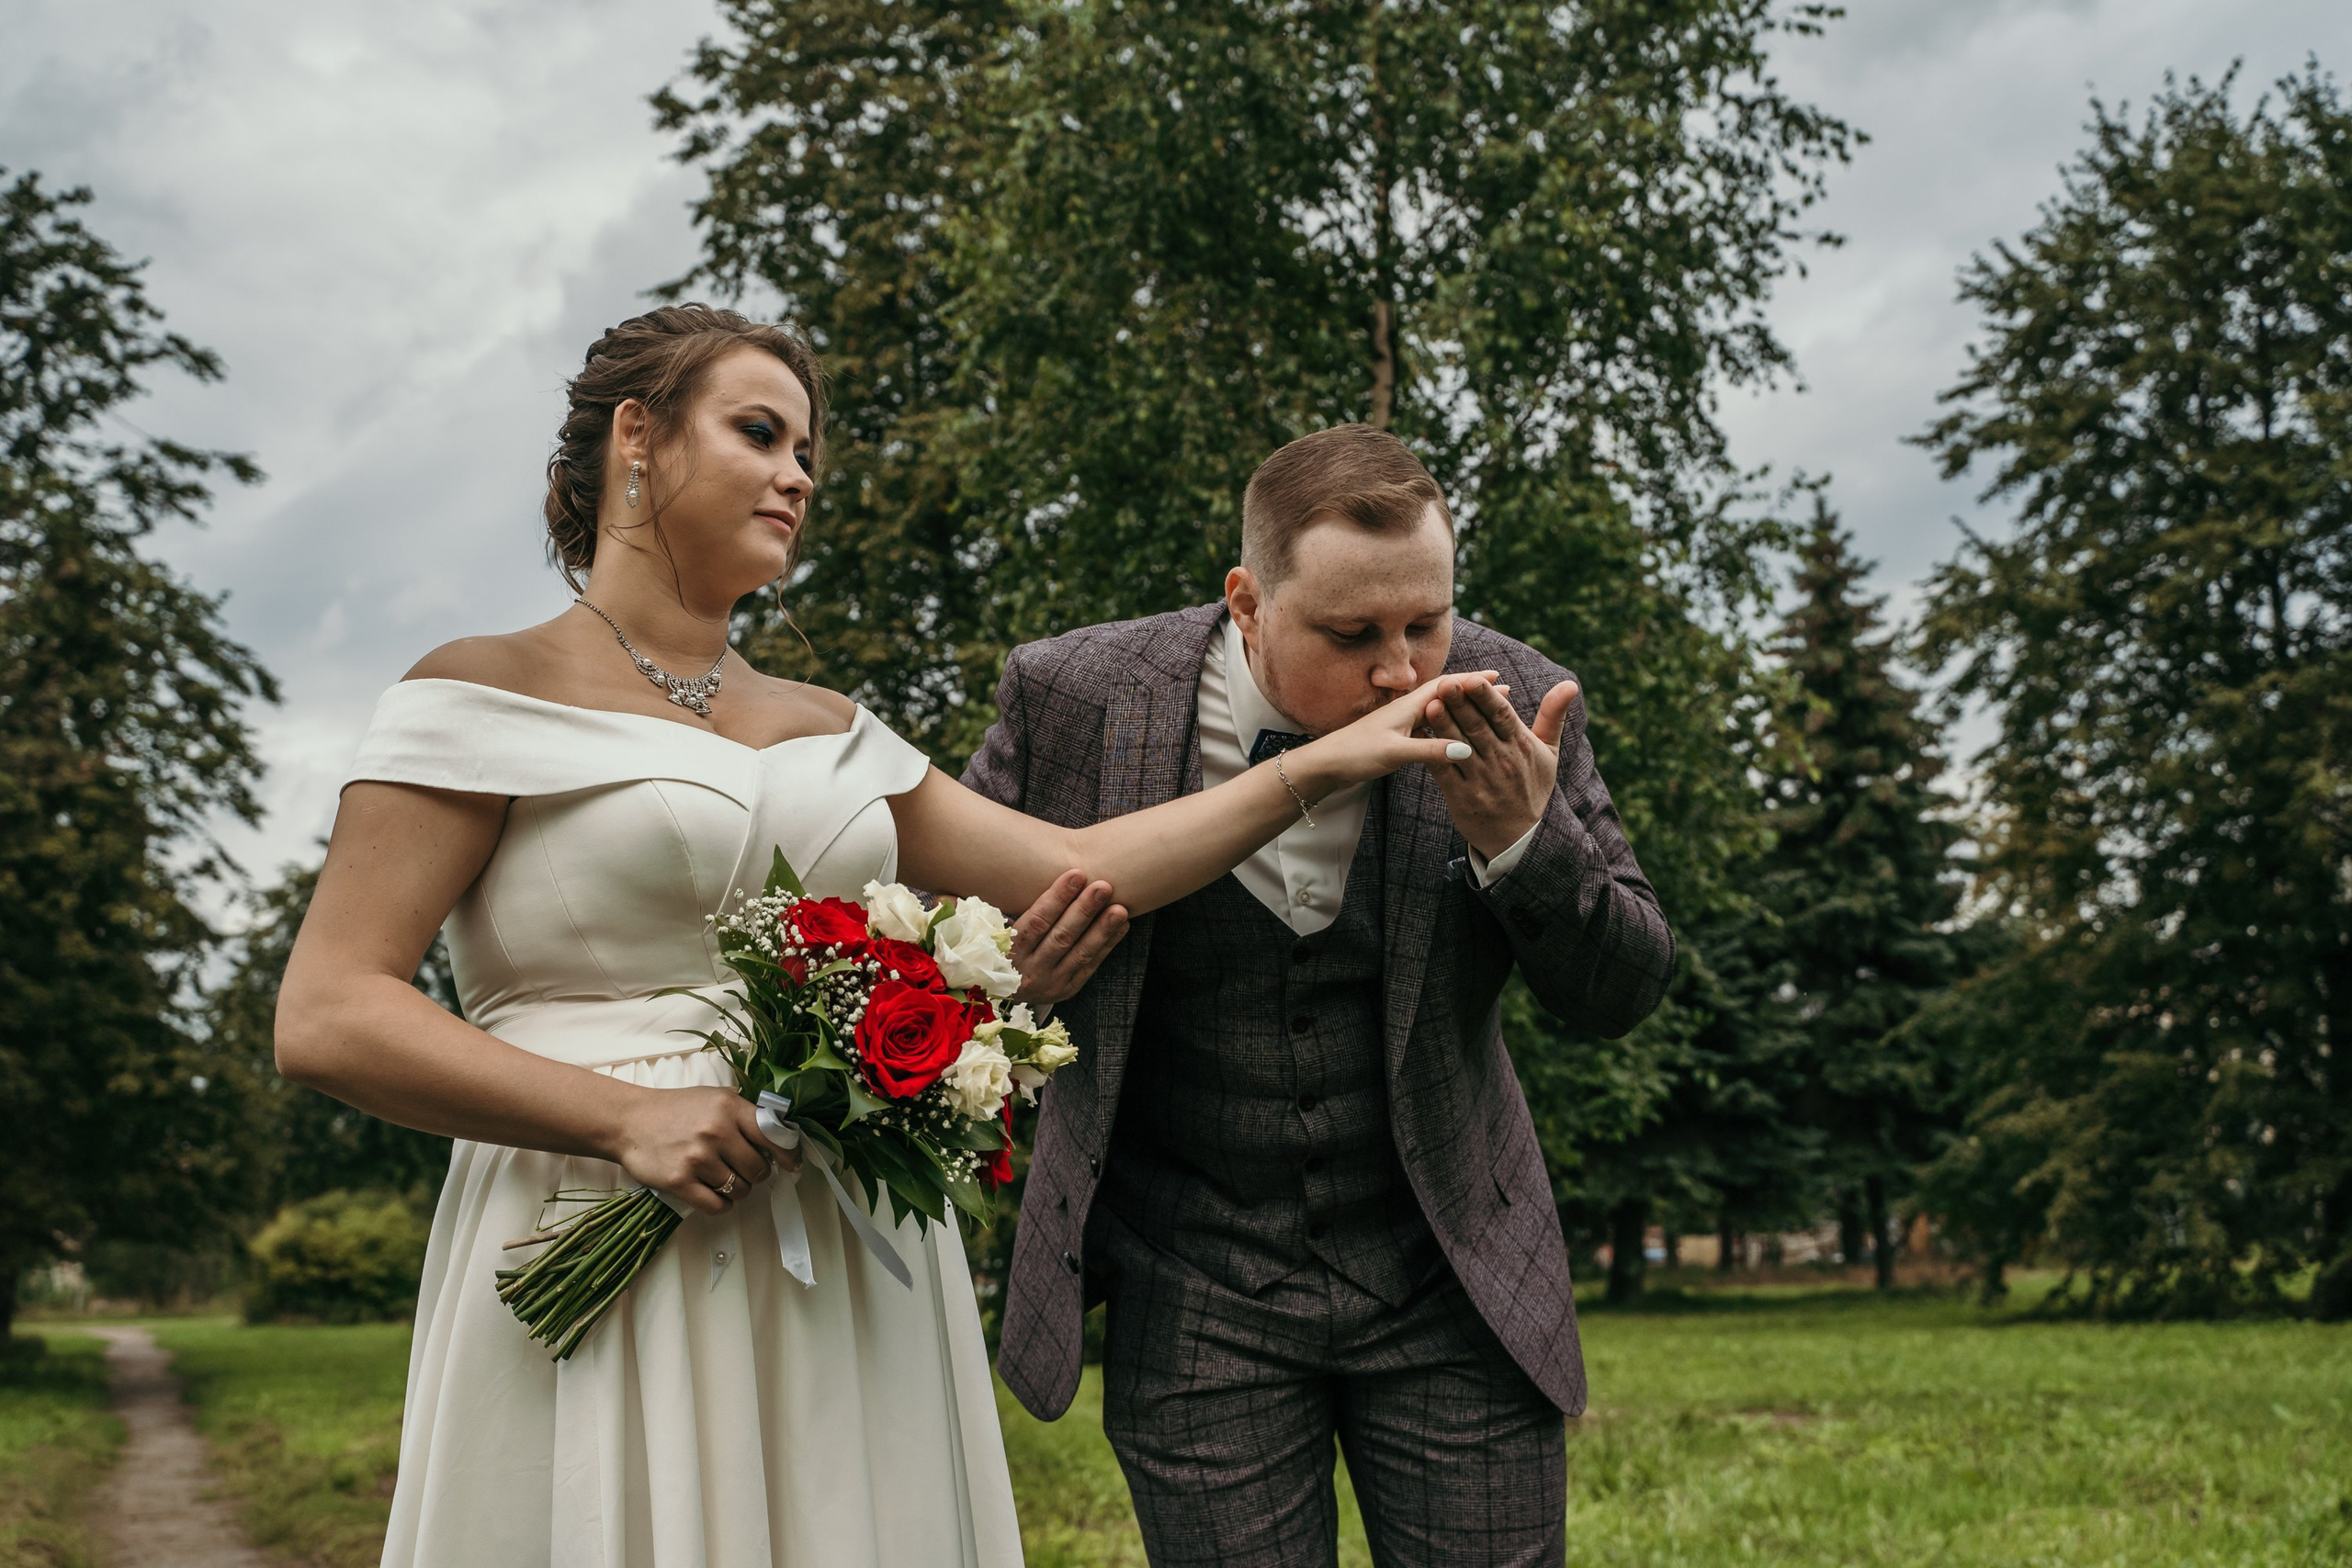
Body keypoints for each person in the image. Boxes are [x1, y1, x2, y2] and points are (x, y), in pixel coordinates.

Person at [273, 307, 1493, 1568]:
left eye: (809, 449)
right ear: (636, 436)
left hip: (836, 1245)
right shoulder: (480, 690)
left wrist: (1322, 764)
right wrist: (617, 1116)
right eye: (760, 432)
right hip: (587, 1204)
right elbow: (329, 1011)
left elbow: (1080, 862)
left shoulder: (832, 723)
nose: (798, 474)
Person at [962, 424, 1676, 1568]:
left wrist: (1524, 851)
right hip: (1193, 1289)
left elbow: (1625, 990)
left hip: (1454, 1278)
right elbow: (946, 959)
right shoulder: (1074, 698)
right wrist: (1015, 983)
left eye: (1425, 623)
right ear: (1247, 601)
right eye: (1352, 635)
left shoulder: (1521, 697)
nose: (1402, 672)